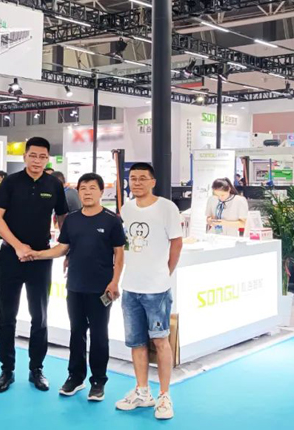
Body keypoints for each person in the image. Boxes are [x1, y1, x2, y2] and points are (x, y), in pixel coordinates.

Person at [31, 172, 125, 401]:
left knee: (100, 336)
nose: (87, 192)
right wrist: (37, 254)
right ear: (78, 192)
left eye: (92, 188)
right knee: (76, 333)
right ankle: (75, 377)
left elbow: (119, 254)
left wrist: (115, 282)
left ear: (101, 192)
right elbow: (62, 248)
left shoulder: (112, 220)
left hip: (101, 289)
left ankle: (98, 381)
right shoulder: (72, 219)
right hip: (75, 286)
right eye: (83, 188)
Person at [0, 138, 68, 393]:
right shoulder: (11, 182)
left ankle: (37, 368)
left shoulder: (54, 184)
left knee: (40, 316)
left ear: (48, 159)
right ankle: (7, 369)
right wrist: (18, 246)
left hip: (40, 259)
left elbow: (63, 219)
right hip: (11, 256)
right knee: (7, 315)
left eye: (42, 157)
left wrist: (67, 247)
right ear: (25, 156)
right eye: (33, 155)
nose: (37, 161)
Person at [115, 162, 183, 421]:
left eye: (143, 178)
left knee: (160, 340)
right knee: (137, 342)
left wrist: (165, 272)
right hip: (130, 287)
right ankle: (142, 391)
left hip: (156, 289)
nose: (137, 182)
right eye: (133, 178)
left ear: (153, 181)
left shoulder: (167, 207)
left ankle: (164, 395)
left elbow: (176, 243)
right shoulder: (127, 208)